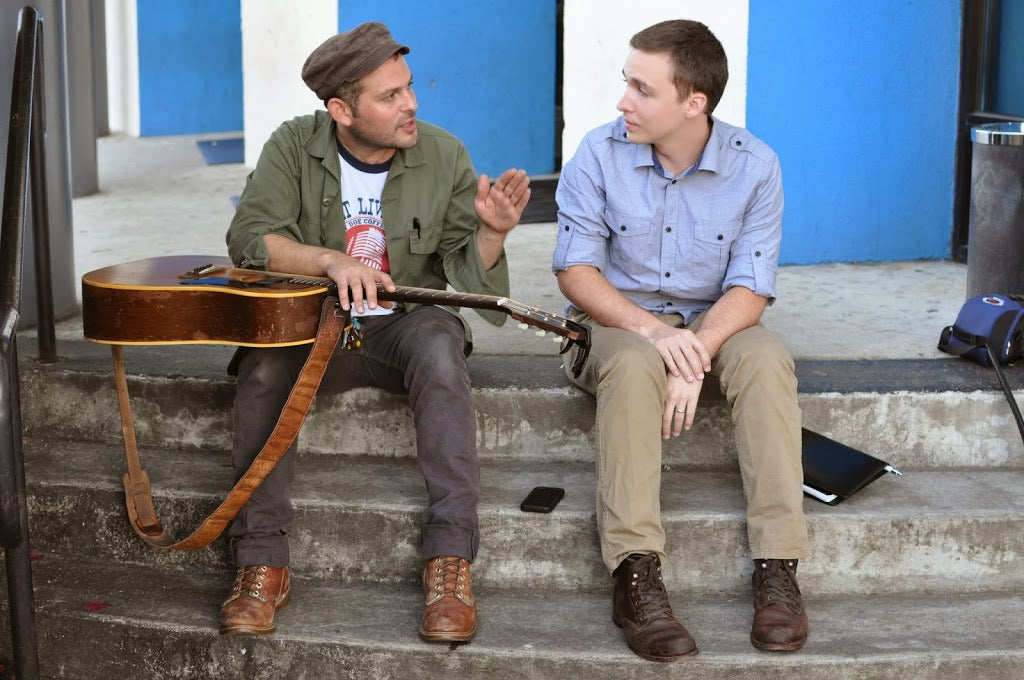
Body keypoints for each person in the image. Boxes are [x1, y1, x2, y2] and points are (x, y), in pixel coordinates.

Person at [220, 21, 530, 643]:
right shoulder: (292, 145)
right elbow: (249, 239)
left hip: (404, 327)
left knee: (443, 350)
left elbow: (461, 273)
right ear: (341, 110)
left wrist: (493, 233)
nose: (410, 104)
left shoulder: (444, 153)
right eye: (389, 96)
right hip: (315, 327)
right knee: (262, 367)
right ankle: (262, 563)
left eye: (409, 88)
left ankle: (449, 562)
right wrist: (330, 261)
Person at [552, 19, 809, 661]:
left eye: (642, 89)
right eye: (625, 84)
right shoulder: (598, 152)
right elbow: (575, 271)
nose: (623, 102)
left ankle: (778, 567)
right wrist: (651, 333)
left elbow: (752, 288)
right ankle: (634, 573)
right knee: (639, 363)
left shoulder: (756, 166)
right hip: (616, 324)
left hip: (712, 323)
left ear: (693, 102)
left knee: (768, 357)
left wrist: (695, 349)